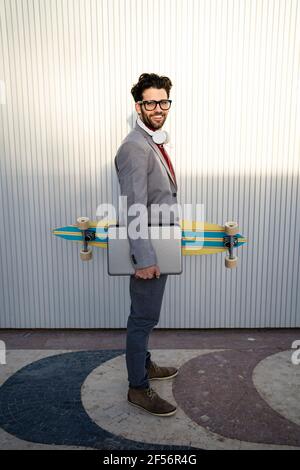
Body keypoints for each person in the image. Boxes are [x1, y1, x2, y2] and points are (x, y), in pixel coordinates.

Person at [115, 73, 179, 417]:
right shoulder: (134, 147)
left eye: (163, 101)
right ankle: (137, 388)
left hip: (159, 245)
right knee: (142, 319)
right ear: (138, 105)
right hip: (149, 251)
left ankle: (146, 366)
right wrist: (143, 258)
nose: (158, 108)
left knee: (147, 316)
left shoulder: (151, 142)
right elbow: (135, 208)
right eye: (150, 102)